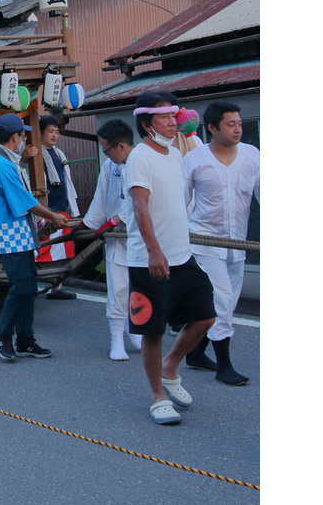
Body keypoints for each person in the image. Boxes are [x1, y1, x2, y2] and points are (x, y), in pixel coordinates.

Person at [126, 91, 217, 425]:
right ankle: (157, 395)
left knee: (206, 315)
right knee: (152, 330)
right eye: (164, 117)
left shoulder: (174, 153)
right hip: (149, 258)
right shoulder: (140, 157)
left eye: (173, 115)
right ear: (147, 123)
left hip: (182, 255)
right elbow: (140, 207)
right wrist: (154, 251)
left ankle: (170, 366)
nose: (171, 122)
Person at [0, 113, 71, 362]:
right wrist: (52, 216)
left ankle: (25, 339)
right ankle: (4, 335)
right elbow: (24, 201)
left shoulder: (7, 160)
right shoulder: (2, 165)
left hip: (17, 234)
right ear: (14, 137)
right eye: (22, 134)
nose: (24, 138)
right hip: (7, 236)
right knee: (21, 287)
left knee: (29, 287)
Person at [183, 101, 260, 385]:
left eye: (239, 124)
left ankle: (196, 353)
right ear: (213, 128)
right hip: (203, 242)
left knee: (227, 301)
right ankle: (224, 366)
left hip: (237, 243)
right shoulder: (194, 160)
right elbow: (182, 203)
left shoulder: (252, 156)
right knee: (224, 298)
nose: (238, 129)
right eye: (231, 124)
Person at [81, 119, 143, 360]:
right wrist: (89, 225)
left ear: (121, 146)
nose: (105, 153)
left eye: (107, 149)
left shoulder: (144, 162)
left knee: (140, 288)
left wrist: (117, 219)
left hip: (141, 235)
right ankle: (116, 337)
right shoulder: (110, 166)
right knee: (118, 288)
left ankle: (135, 329)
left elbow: (143, 200)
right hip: (116, 238)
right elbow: (101, 197)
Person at [38, 115, 79, 300]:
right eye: (50, 131)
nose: (54, 135)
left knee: (62, 249)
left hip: (62, 206)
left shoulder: (58, 152)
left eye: (56, 131)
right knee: (43, 247)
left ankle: (57, 287)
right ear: (40, 132)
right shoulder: (34, 153)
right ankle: (32, 282)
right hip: (46, 208)